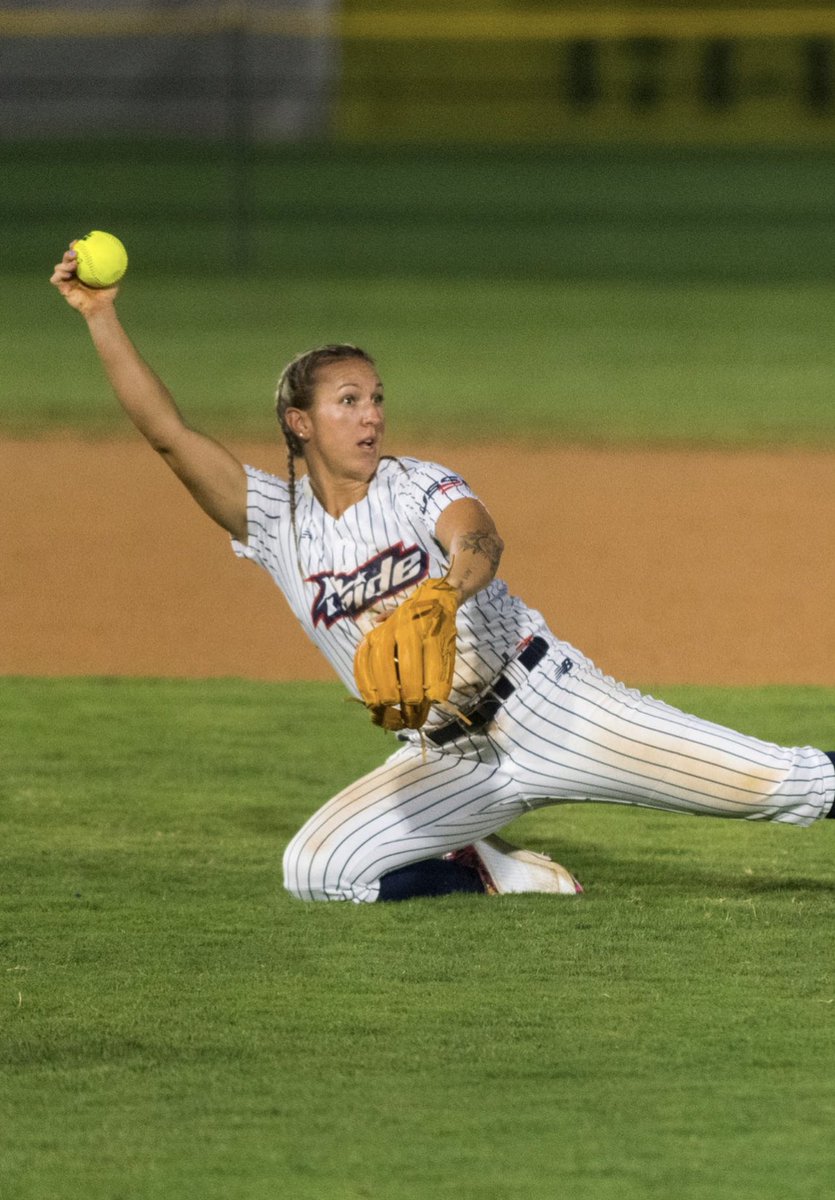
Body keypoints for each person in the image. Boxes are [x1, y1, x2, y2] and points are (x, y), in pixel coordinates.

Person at [51, 245, 835, 904]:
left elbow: (479, 538)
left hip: (547, 708)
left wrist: (448, 590)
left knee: (777, 783)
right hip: (448, 761)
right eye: (348, 400)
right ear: (299, 422)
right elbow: (166, 434)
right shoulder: (273, 522)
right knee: (317, 872)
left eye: (377, 399)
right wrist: (100, 314)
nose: (371, 416)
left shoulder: (412, 483)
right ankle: (485, 870)